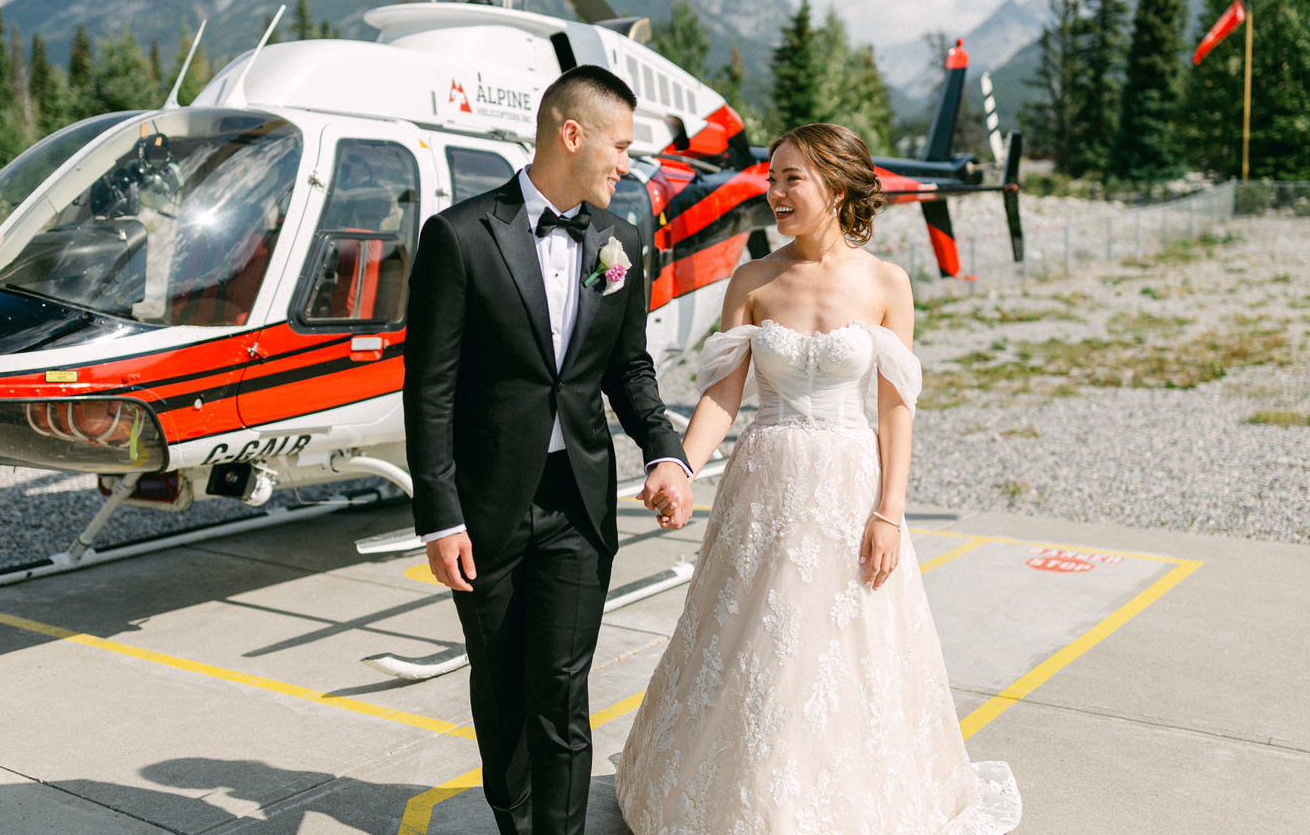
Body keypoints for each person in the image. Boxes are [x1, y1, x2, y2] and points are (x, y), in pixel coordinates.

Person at [615, 123, 1021, 833]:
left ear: (835, 186)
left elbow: (897, 410)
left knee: (844, 646)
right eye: (771, 178)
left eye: (790, 179)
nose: (773, 192)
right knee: (752, 643)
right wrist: (680, 467)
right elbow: (720, 396)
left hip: (848, 486)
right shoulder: (753, 278)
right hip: (763, 484)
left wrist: (889, 513)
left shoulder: (888, 284)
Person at [403, 64, 693, 835]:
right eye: (622, 146)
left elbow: (629, 368)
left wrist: (665, 452)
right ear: (573, 135)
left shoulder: (621, 241)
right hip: (487, 508)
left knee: (562, 690)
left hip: (578, 503)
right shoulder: (459, 237)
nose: (629, 165)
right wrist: (440, 517)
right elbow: (428, 390)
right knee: (501, 690)